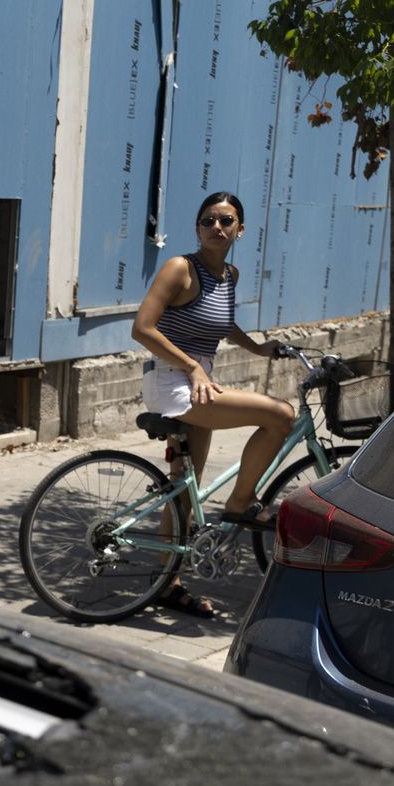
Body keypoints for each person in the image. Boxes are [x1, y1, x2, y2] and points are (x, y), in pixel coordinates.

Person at [131, 190, 292, 619]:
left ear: (241, 229)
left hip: (197, 381)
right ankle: (241, 502)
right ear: (197, 227)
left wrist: (257, 349)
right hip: (174, 381)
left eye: (226, 221)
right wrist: (193, 368)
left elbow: (221, 323)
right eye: (208, 220)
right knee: (282, 415)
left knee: (185, 488)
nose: (217, 228)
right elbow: (142, 328)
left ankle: (167, 583)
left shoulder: (229, 275)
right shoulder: (180, 268)